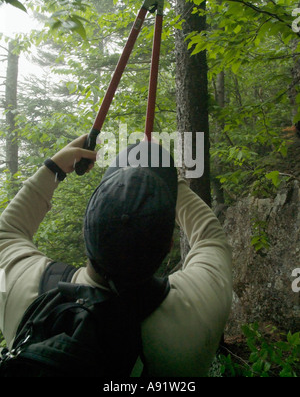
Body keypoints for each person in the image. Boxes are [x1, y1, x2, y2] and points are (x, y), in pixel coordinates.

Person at [0, 134, 232, 377]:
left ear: (86, 228)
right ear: (169, 245)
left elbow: (7, 232)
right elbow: (210, 238)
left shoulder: (27, 290)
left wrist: (54, 168)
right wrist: (171, 181)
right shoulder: (195, 313)